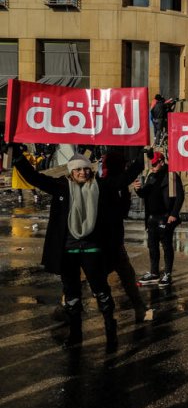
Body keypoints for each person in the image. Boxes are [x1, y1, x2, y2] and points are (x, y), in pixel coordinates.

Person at [12, 147, 139, 352]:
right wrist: (17, 156)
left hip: (92, 249)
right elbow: (33, 177)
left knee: (101, 291)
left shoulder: (100, 185)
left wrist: (142, 158)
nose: (83, 173)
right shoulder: (61, 186)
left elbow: (123, 180)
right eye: (78, 170)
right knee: (71, 293)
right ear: (71, 171)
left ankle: (110, 328)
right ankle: (75, 333)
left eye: (86, 169)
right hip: (67, 251)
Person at [99, 150, 150, 323]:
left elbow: (122, 212)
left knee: (127, 276)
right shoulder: (105, 184)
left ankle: (138, 308)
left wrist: (126, 195)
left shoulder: (115, 186)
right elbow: (126, 177)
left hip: (114, 241)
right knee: (100, 279)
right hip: (104, 242)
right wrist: (141, 159)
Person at [135, 151, 184, 288]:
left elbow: (180, 196)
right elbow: (145, 194)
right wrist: (138, 190)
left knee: (167, 246)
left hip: (165, 216)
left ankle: (167, 273)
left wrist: (173, 214)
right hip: (151, 218)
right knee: (152, 246)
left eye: (156, 163)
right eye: (152, 164)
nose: (153, 166)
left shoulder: (171, 175)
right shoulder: (151, 175)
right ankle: (154, 272)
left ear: (162, 162)